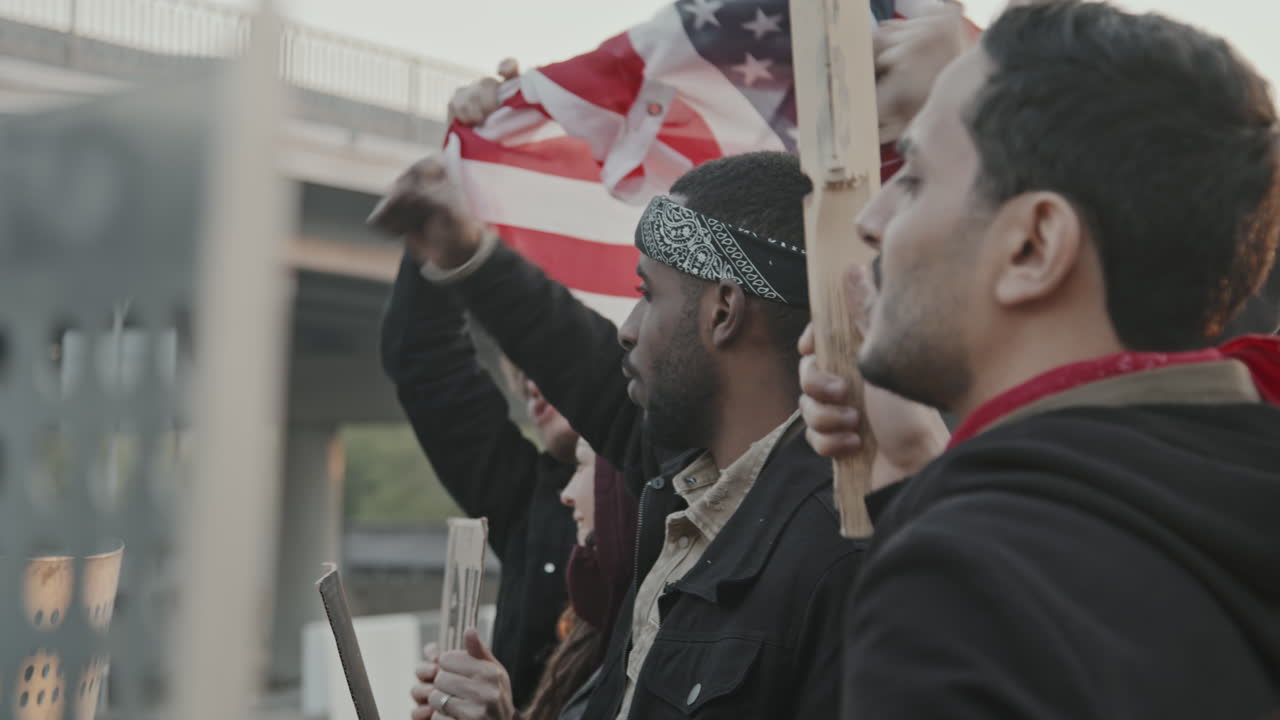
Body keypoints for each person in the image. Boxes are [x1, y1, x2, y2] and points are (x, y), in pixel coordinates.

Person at [799, 2, 1280, 718]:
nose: (871, 222)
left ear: (1033, 246)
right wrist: (910, 466)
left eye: (916, 178)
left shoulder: (962, 594)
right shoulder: (1226, 509)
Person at [371, 150, 911, 719]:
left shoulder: (838, 559)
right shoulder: (683, 492)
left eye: (648, 294)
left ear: (723, 311)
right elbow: (573, 353)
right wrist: (465, 253)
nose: (627, 331)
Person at [381, 250, 581, 707]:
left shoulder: (674, 488)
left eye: (546, 357)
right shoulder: (528, 495)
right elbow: (427, 363)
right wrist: (437, 242)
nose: (529, 381)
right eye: (519, 367)